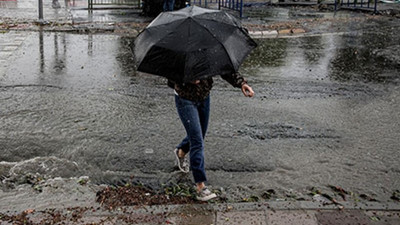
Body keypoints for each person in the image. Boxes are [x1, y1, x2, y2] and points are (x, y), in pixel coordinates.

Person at [169, 73, 254, 201]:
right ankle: (200, 186)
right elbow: (169, 76)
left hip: (204, 97)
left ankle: (181, 151)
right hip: (184, 98)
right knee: (197, 141)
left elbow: (223, 67)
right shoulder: (176, 54)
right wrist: (187, 79)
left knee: (199, 135)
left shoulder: (207, 52)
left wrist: (242, 83)